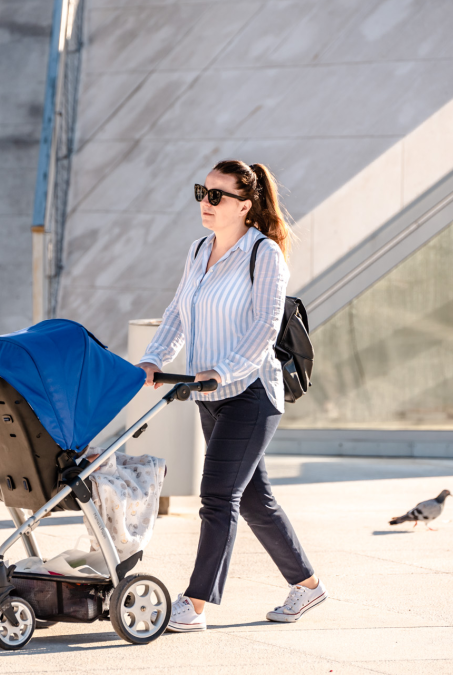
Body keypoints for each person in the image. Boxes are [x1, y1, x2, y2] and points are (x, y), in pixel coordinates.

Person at [138, 160, 324, 631]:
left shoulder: (265, 256)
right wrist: (154, 358)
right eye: (203, 191)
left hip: (251, 393)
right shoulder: (199, 250)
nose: (206, 201)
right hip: (209, 394)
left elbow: (264, 328)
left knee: (218, 496)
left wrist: (222, 371)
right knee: (255, 497)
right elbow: (177, 312)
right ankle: (307, 586)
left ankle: (195, 603)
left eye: (218, 195)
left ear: (245, 205)